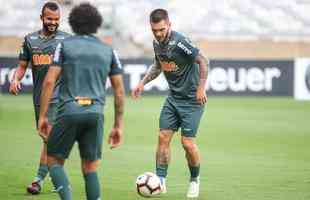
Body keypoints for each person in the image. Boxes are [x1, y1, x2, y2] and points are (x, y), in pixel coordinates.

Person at [38, 3, 125, 200]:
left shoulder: (64, 45)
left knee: (53, 160)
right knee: (90, 168)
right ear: (97, 24)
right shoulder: (108, 50)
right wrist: (118, 125)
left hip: (69, 112)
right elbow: (119, 91)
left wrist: (43, 116)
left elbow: (50, 81)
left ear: (73, 23)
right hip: (95, 114)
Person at [132, 8, 209, 198]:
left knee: (187, 144)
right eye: (154, 30)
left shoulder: (180, 42)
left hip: (192, 101)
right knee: (162, 138)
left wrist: (201, 87)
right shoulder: (157, 44)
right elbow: (158, 65)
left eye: (162, 29)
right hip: (173, 99)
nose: (158, 34)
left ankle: (194, 180)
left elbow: (203, 60)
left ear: (169, 25)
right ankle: (160, 181)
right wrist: (142, 83)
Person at [9, 1, 70, 195]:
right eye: (50, 18)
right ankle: (55, 174)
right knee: (46, 137)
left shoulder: (66, 40)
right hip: (39, 99)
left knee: (49, 138)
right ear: (42, 18)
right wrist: (15, 79)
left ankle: (38, 180)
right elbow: (22, 66)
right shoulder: (30, 40)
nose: (53, 22)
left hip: (60, 98)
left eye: (57, 19)